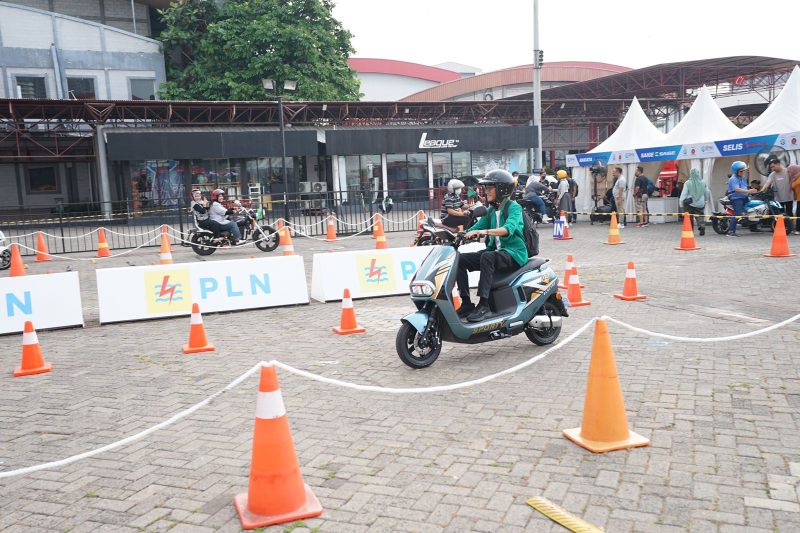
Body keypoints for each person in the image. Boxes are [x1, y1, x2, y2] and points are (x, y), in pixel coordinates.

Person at [456, 169, 527, 323]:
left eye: (489, 188)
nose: (486, 191)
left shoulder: (514, 207)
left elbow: (508, 229)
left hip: (513, 253)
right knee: (459, 260)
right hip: (496, 253)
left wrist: (484, 231)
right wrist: (462, 234)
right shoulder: (491, 210)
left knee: (487, 257)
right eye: (485, 188)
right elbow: (477, 226)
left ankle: (484, 305)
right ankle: (466, 303)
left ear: (501, 189)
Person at [761, 156, 795, 233]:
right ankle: (782, 228)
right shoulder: (772, 175)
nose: (772, 168)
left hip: (789, 197)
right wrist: (762, 190)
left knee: (789, 213)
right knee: (780, 214)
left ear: (778, 164)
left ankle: (791, 228)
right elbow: (767, 183)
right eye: (771, 167)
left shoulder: (787, 172)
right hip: (778, 199)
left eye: (773, 166)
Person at [726, 161, 757, 237]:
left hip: (744, 197)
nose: (743, 172)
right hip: (736, 198)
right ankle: (731, 232)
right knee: (737, 214)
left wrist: (752, 190)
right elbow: (737, 189)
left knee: (752, 210)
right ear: (736, 171)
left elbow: (744, 187)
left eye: (743, 171)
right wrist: (748, 191)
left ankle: (753, 227)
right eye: (741, 171)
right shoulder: (733, 179)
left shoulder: (743, 178)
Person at [679, 168, 710, 236]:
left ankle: (690, 231)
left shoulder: (688, 183)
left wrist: (681, 204)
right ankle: (702, 226)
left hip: (690, 203)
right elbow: (707, 192)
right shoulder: (703, 182)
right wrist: (705, 200)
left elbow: (684, 194)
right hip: (700, 203)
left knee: (689, 217)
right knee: (700, 216)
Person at [789, 164, 800, 235]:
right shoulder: (793, 178)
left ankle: (798, 229)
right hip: (798, 199)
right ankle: (798, 229)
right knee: (798, 214)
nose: (789, 173)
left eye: (790, 171)